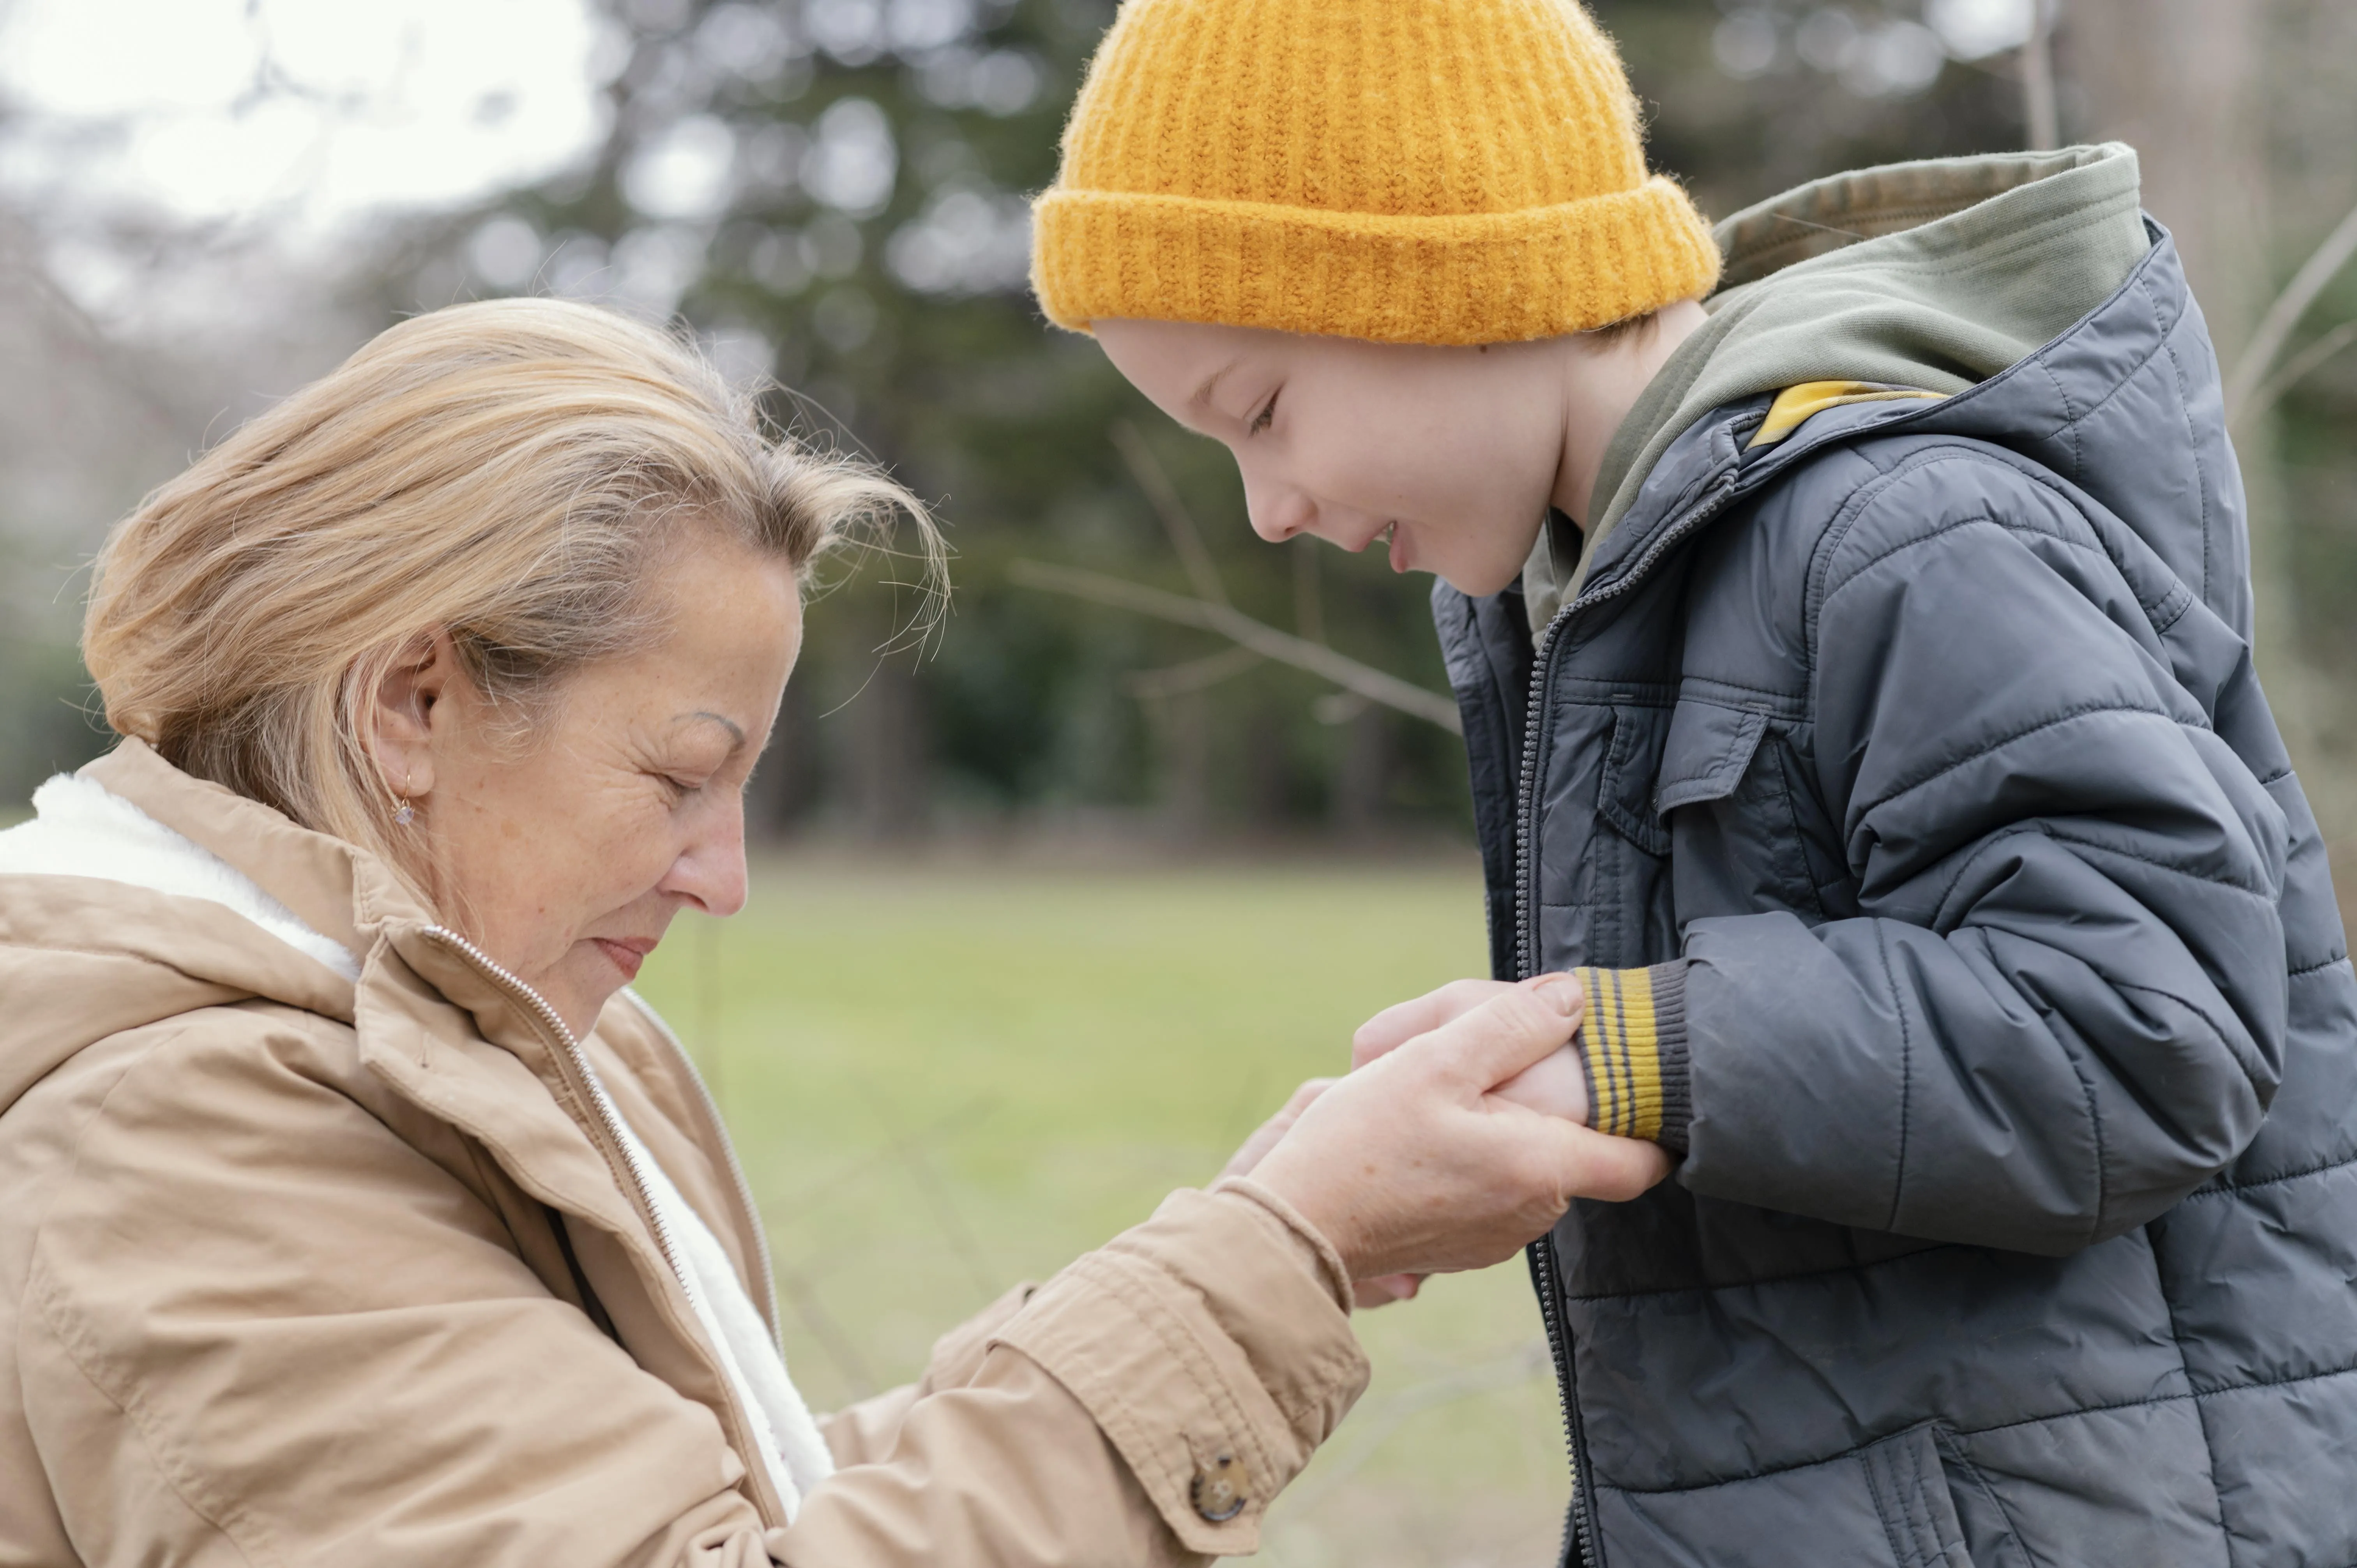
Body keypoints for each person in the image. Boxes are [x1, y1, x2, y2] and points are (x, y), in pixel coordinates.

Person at [0, 298, 1669, 1565]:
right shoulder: (164, 1129)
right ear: (415, 703)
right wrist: (1270, 1257)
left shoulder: (463, 1023)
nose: (722, 880)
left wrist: (1284, 1233)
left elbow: (722, 1504)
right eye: (678, 777)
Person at [1031, 0, 2357, 1563]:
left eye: (1258, 411)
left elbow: (2148, 1028)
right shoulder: (1590, 605)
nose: (1264, 510)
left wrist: (1630, 1051)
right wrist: (1511, 1091)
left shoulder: (1904, 530)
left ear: (1454, 276)